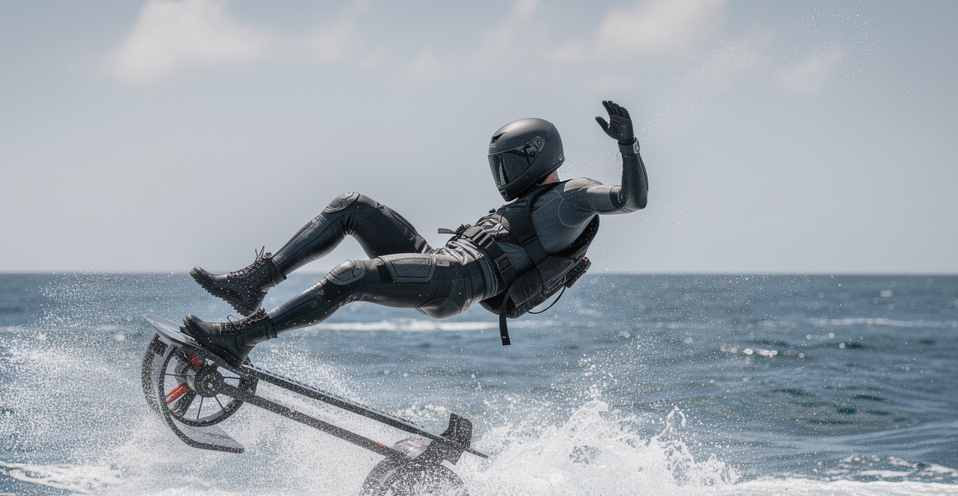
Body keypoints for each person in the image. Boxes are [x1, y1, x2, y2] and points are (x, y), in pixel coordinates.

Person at [182, 100, 648, 364]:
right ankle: (255, 283)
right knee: (352, 206)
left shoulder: (572, 196)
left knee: (350, 275)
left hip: (458, 280)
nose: (502, 177)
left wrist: (628, 146)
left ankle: (243, 337)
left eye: (507, 165)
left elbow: (631, 200)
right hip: (444, 261)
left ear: (535, 157)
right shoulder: (529, 201)